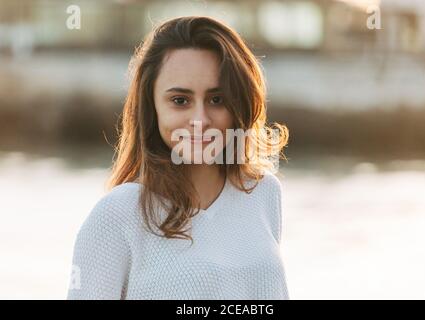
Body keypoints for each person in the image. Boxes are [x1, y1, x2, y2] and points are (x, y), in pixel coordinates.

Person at [67, 15, 290, 300]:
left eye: (217, 99)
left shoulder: (263, 193)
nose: (200, 120)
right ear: (152, 107)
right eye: (180, 101)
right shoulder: (117, 214)